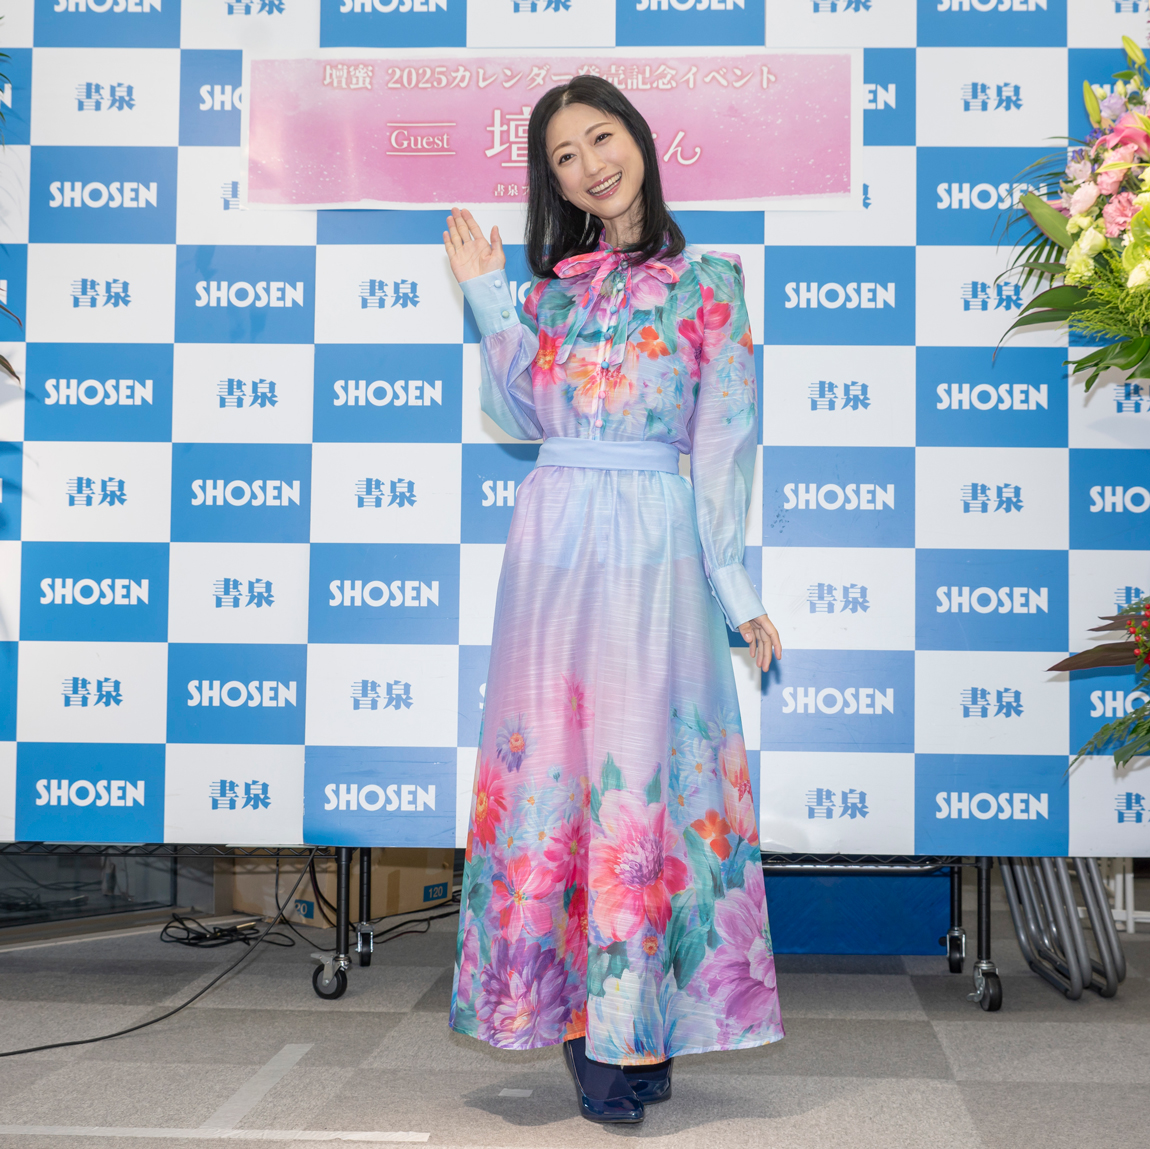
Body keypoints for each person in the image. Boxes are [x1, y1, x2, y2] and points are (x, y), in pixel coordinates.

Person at [445, 75, 784, 1125]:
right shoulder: (547, 297)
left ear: (638, 140)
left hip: (653, 545)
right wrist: (489, 295)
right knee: (551, 775)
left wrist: (735, 587)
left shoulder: (713, 282)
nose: (590, 163)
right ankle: (586, 1033)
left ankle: (642, 1022)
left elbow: (724, 444)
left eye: (601, 138)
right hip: (552, 544)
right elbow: (518, 413)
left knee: (644, 779)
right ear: (552, 182)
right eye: (563, 155)